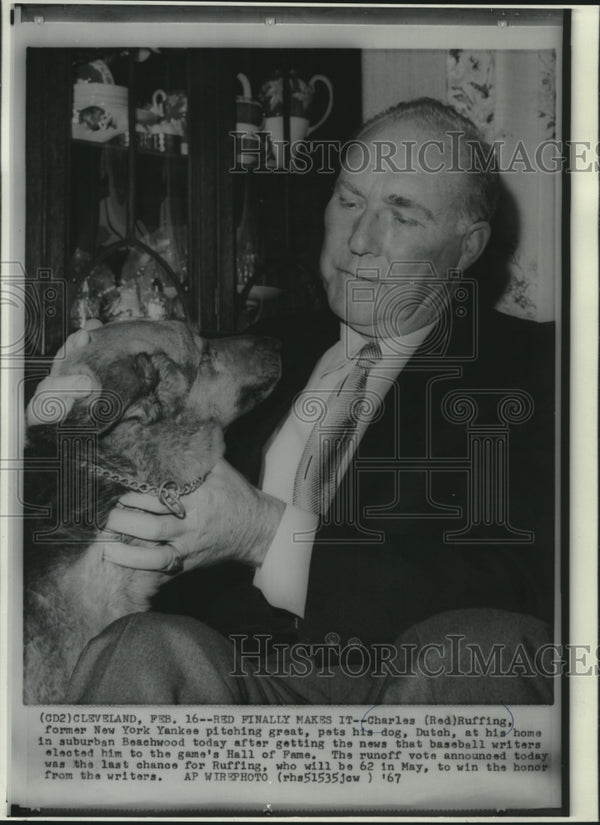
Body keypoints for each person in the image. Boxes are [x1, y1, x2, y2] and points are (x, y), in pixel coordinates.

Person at [28, 99, 555, 704]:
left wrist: (263, 534)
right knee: (138, 646)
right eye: (350, 201)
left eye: (402, 216)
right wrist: (53, 429)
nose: (359, 239)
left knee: (481, 648)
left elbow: (527, 593)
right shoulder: (260, 350)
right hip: (224, 683)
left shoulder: (537, 369)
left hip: (403, 691)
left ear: (467, 248)